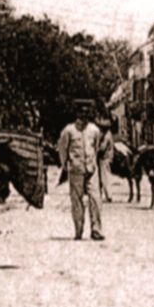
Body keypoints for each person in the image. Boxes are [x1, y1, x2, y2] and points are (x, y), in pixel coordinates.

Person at [57, 101, 104, 241]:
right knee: (76, 201)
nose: (84, 116)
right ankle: (78, 229)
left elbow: (96, 147)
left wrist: (92, 162)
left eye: (86, 112)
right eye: (81, 112)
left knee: (95, 199)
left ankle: (96, 230)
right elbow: (62, 149)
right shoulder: (68, 131)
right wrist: (65, 165)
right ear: (76, 114)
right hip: (76, 169)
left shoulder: (94, 130)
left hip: (91, 169)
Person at [96, 118, 115, 203]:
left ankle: (109, 196)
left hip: (104, 158)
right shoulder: (108, 134)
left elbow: (102, 148)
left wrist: (96, 149)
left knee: (105, 177)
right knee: (105, 176)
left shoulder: (106, 136)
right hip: (106, 158)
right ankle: (107, 195)